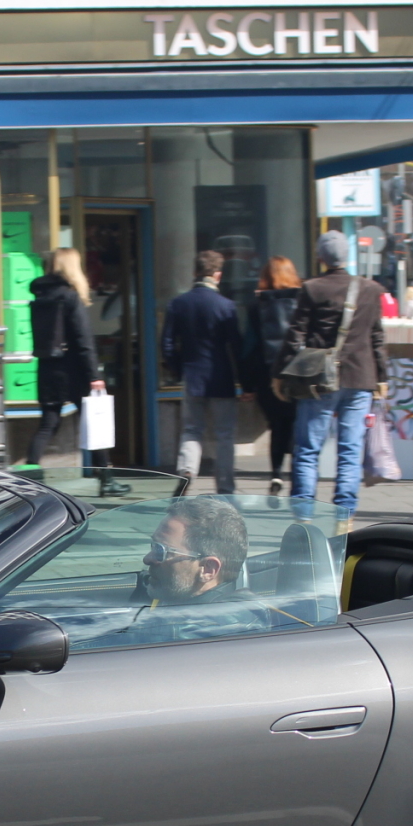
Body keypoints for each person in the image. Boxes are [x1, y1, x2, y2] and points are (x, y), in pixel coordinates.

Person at [281, 230, 385, 526]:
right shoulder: (371, 289)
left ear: (320, 258)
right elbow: (377, 336)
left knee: (307, 449)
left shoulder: (312, 288)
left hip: (319, 380)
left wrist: (282, 372)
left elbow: (295, 335)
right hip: (361, 378)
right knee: (350, 450)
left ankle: (303, 516)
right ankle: (344, 515)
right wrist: (382, 376)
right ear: (348, 256)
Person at [121, 498, 271, 644]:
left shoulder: (178, 636)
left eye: (161, 551)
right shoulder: (175, 594)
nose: (148, 558)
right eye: (153, 546)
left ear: (207, 569)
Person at [162, 249, 244, 493]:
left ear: (195, 272)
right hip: (221, 377)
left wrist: (178, 369)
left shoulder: (179, 303)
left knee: (191, 430)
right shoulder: (226, 306)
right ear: (217, 275)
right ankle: (226, 486)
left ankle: (187, 471)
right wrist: (245, 381)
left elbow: (166, 344)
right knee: (224, 434)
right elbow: (236, 346)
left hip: (192, 376)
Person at [24, 248, 105, 468]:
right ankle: (105, 477)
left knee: (48, 424)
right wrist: (94, 375)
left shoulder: (40, 297)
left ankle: (29, 470)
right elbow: (83, 339)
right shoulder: (70, 297)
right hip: (74, 369)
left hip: (48, 367)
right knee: (94, 423)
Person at [242, 256, 305, 498]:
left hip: (268, 375)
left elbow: (249, 345)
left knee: (277, 426)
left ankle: (276, 472)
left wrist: (247, 384)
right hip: (300, 375)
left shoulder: (257, 305)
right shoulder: (303, 300)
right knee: (300, 426)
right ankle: (299, 478)